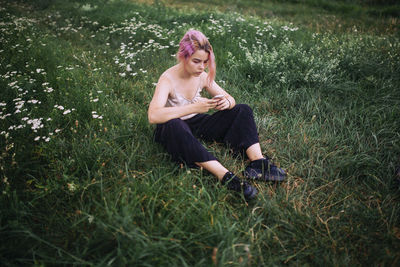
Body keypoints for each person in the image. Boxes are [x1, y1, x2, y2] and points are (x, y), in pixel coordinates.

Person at [148, 29, 286, 200]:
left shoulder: (201, 75)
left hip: (197, 122)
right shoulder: (167, 79)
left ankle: (258, 162)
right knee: (174, 125)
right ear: (183, 57)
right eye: (196, 61)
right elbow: (153, 116)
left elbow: (230, 98)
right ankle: (226, 176)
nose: (201, 67)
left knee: (243, 110)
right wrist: (193, 108)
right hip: (172, 127)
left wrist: (226, 102)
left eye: (205, 62)